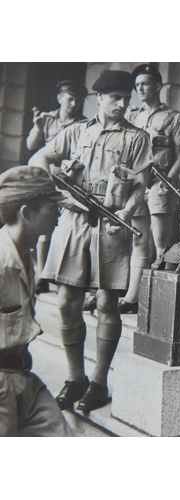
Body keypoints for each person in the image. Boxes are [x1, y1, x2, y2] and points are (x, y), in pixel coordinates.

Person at [28, 70, 153, 412]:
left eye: (127, 98)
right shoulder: (78, 131)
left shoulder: (136, 138)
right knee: (68, 301)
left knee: (107, 304)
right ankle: (75, 377)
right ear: (100, 99)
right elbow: (38, 158)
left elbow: (141, 185)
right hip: (73, 220)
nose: (122, 104)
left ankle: (98, 382)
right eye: (115, 98)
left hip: (111, 223)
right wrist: (56, 192)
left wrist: (127, 214)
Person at [0, 165, 73, 436]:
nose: (59, 211)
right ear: (27, 213)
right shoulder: (2, 262)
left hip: (23, 378)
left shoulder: (26, 256)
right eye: (51, 205)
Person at [118, 64, 180, 313]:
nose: (140, 89)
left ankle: (160, 303)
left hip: (161, 186)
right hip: (139, 186)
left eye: (145, 84)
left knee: (161, 245)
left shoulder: (173, 117)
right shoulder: (135, 117)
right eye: (137, 86)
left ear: (158, 85)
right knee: (139, 242)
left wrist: (166, 184)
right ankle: (132, 298)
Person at [26, 80, 88, 295]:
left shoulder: (82, 124)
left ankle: (49, 273)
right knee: (42, 227)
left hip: (66, 180)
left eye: (78, 100)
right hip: (44, 178)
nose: (74, 104)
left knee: (56, 226)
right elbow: (32, 146)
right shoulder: (47, 119)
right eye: (70, 99)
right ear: (60, 99)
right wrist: (36, 126)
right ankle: (40, 275)